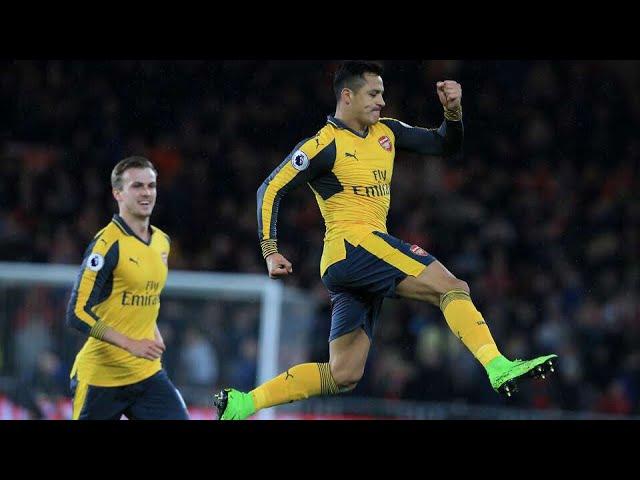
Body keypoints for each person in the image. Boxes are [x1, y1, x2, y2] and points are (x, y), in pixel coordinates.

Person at [214, 60, 557, 420]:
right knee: (451, 286)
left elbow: (444, 144)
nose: (381, 102)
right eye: (373, 94)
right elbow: (269, 189)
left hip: (347, 264)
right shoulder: (324, 144)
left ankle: (243, 403)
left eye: (383, 94)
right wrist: (270, 250)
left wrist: (452, 112)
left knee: (343, 374)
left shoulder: (387, 132)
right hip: (355, 245)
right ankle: (497, 364)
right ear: (347, 96)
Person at [66, 156, 189, 420]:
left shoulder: (162, 242)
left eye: (151, 185)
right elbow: (76, 312)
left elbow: (144, 294)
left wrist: (152, 329)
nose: (146, 192)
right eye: (137, 186)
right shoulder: (106, 245)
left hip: (146, 374)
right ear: (118, 193)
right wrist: (129, 343)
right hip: (101, 377)